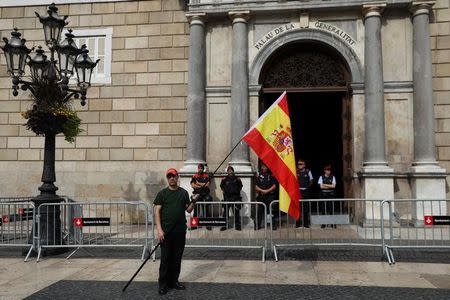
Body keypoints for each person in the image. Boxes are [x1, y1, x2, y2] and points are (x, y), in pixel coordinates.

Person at [154, 168, 198, 295]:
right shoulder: (162, 194)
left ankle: (174, 281)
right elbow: (157, 212)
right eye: (169, 176)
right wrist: (159, 230)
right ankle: (163, 284)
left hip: (180, 231)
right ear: (167, 178)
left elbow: (188, 210)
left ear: (177, 177)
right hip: (166, 232)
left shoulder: (183, 193)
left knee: (177, 258)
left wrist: (194, 201)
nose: (172, 178)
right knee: (165, 259)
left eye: (174, 176)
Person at [255, 163, 278, 230]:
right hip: (261, 196)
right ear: (261, 167)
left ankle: (273, 225)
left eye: (265, 167)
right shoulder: (259, 175)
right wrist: (262, 190)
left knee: (272, 210)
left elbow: (274, 186)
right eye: (263, 167)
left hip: (270, 196)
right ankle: (258, 225)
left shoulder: (271, 175)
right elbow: (256, 187)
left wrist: (267, 191)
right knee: (259, 211)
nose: (264, 168)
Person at [220, 165, 243, 231]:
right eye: (229, 170)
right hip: (227, 198)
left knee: (236, 212)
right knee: (225, 213)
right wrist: (225, 191)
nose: (230, 172)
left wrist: (236, 191)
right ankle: (224, 226)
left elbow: (240, 186)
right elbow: (221, 186)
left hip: (236, 198)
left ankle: (237, 225)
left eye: (231, 170)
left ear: (233, 171)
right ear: (227, 172)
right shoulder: (224, 179)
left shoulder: (237, 179)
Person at [318, 164, 336, 228]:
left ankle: (332, 223)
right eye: (327, 170)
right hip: (323, 195)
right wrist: (329, 186)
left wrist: (325, 184)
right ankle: (323, 223)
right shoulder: (321, 177)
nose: (329, 171)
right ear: (324, 170)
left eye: (329, 170)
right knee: (323, 210)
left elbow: (333, 186)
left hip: (331, 195)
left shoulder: (333, 177)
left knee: (331, 209)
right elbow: (321, 187)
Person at [296, 159, 313, 228]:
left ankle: (306, 224)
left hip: (305, 191)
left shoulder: (308, 171)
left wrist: (307, 186)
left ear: (304, 165)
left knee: (305, 209)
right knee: (298, 209)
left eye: (301, 164)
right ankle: (298, 224)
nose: (299, 165)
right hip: (298, 192)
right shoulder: (296, 171)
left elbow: (311, 180)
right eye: (298, 164)